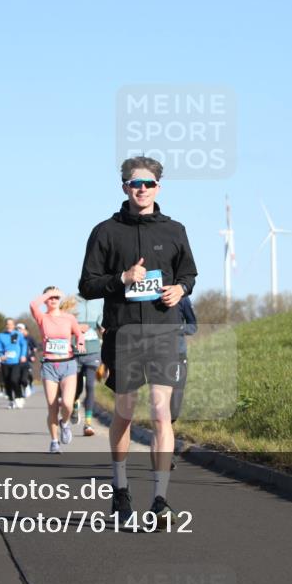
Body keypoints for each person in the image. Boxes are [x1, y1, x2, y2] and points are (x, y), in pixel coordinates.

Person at [79, 156, 198, 526]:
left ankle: (160, 499)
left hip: (164, 331)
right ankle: (120, 488)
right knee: (126, 413)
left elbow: (189, 275)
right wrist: (123, 278)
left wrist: (179, 289)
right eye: (135, 183)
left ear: (158, 187)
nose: (141, 189)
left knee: (162, 413)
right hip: (124, 333)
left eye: (148, 183)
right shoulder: (105, 231)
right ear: (124, 187)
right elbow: (87, 285)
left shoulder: (175, 230)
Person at [30, 288, 84, 453]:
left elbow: (78, 333)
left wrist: (80, 342)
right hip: (49, 366)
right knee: (52, 406)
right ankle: (54, 442)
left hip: (68, 364)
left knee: (67, 404)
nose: (53, 299)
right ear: (45, 300)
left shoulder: (69, 318)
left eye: (56, 297)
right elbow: (33, 304)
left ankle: (65, 423)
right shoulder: (42, 318)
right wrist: (48, 293)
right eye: (49, 297)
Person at [150, 294, 197, 471]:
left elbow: (193, 327)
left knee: (173, 412)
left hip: (178, 357)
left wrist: (176, 328)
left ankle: (162, 450)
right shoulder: (150, 298)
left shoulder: (183, 299)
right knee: (162, 414)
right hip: (156, 356)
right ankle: (161, 461)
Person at [65, 296, 102, 436]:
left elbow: (103, 324)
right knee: (76, 387)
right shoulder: (72, 302)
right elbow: (62, 326)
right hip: (75, 353)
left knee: (91, 387)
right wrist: (76, 328)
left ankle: (88, 424)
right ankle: (74, 404)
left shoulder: (99, 302)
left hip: (93, 352)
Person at [0, 319, 27, 409]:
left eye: (11, 324)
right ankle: (11, 400)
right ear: (5, 326)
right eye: (7, 324)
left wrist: (23, 355)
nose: (9, 326)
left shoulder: (18, 334)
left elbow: (23, 345)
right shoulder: (1, 335)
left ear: (14, 326)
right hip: (5, 362)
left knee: (14, 380)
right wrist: (1, 355)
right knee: (7, 382)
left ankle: (19, 396)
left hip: (16, 362)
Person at [19, 322, 39, 398]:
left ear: (26, 330)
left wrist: (33, 355)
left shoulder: (30, 338)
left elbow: (35, 348)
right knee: (22, 375)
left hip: (29, 358)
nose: (20, 331)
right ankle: (25, 388)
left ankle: (30, 384)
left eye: (22, 329)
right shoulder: (19, 338)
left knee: (29, 373)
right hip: (21, 358)